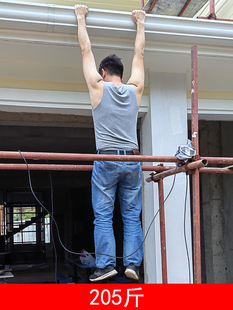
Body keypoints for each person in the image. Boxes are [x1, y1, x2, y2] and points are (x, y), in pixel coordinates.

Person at [74, 4, 146, 282]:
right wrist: (140, 23)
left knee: (103, 216)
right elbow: (139, 53)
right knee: (131, 216)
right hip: (132, 160)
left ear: (104, 72)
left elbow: (85, 50)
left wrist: (81, 17)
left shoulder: (97, 87)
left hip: (106, 159)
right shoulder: (134, 89)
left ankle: (105, 265)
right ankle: (132, 265)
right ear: (121, 73)